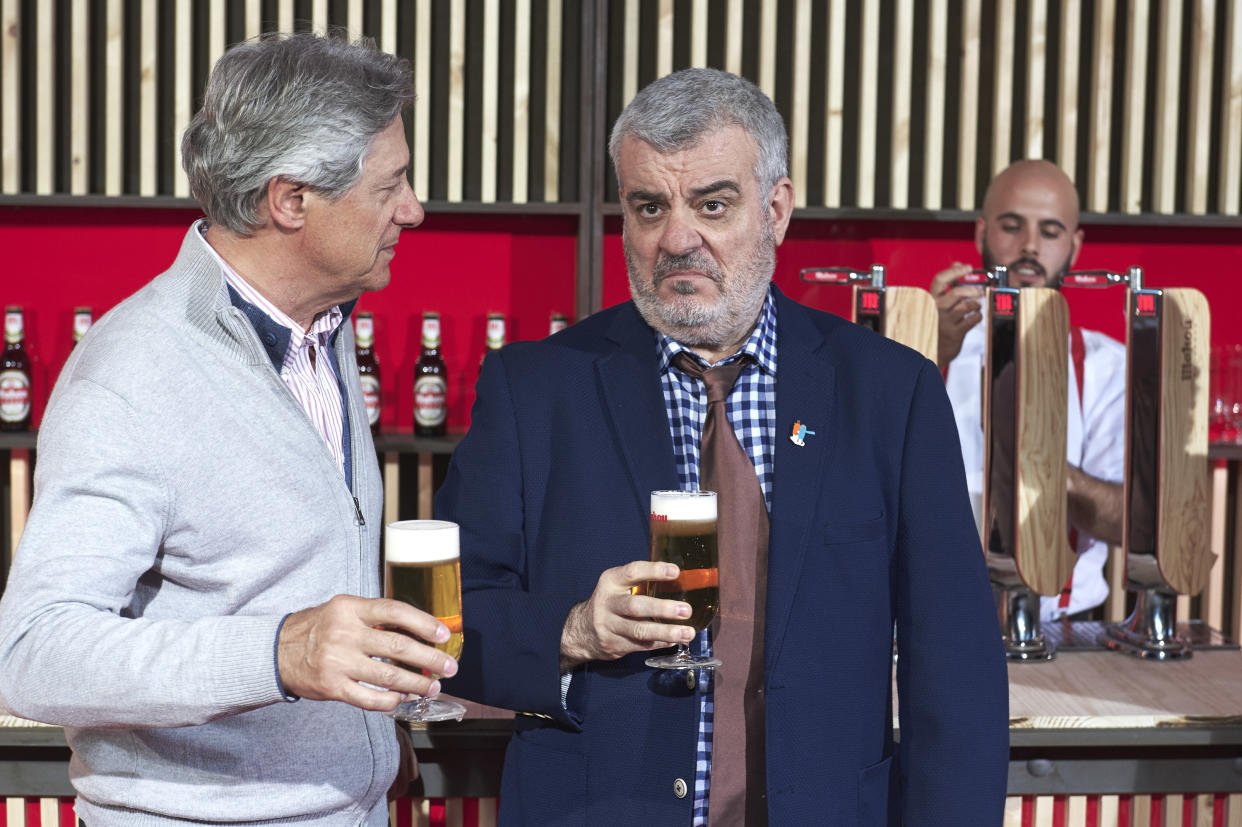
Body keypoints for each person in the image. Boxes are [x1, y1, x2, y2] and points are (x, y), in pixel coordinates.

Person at [437, 68, 1008, 825]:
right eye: (649, 207)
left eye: (712, 203)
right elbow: (446, 624)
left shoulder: (888, 393)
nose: (678, 239)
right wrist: (573, 630)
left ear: (776, 209)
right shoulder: (532, 390)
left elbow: (957, 673)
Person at [0, 32, 456, 825]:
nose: (413, 209)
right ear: (291, 201)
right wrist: (280, 653)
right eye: (392, 184)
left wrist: (367, 742)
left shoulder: (324, 326)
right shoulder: (131, 370)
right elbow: (34, 652)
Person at [932, 159, 1126, 620]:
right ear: (981, 233)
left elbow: (1128, 520)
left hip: (1065, 628)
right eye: (1012, 226)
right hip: (933, 624)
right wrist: (926, 355)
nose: (1030, 247)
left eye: (1051, 230)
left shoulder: (1103, 364)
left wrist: (1044, 465)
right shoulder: (919, 346)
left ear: (1075, 247)